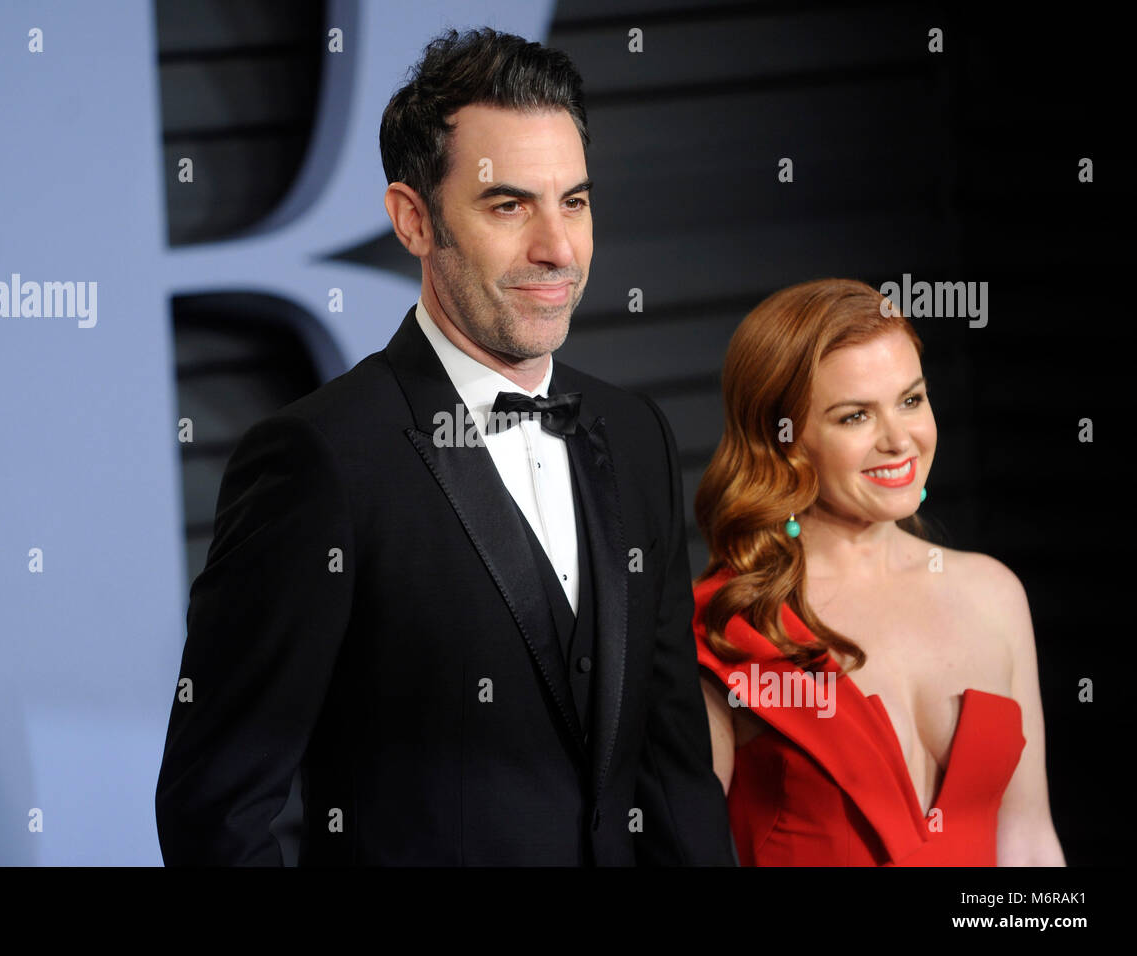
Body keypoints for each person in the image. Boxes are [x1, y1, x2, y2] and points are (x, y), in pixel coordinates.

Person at [154, 26, 735, 866]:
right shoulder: (319, 462)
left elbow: (674, 771)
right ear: (413, 220)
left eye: (574, 200)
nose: (559, 249)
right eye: (510, 205)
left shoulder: (633, 433)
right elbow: (216, 809)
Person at [692, 278, 1065, 866]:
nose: (900, 440)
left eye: (912, 400)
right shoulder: (725, 627)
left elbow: (1029, 843)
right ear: (782, 439)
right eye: (855, 416)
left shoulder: (994, 593)